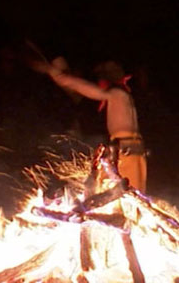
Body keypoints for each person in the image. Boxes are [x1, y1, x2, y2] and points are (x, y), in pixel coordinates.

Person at [34, 57, 147, 192]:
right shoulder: (122, 93)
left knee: (123, 195)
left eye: (113, 69)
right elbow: (80, 91)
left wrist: (63, 78)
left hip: (126, 151)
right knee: (128, 194)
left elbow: (91, 90)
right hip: (131, 150)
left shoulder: (117, 93)